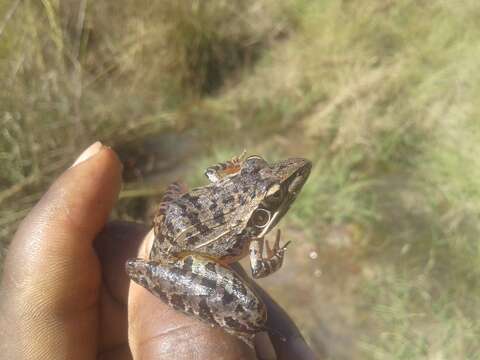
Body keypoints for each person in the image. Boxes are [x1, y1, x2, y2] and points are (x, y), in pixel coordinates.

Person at [0, 142, 318, 359]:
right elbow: (259, 269)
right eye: (275, 195)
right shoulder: (257, 226)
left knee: (252, 309)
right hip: (188, 256)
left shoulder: (231, 191)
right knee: (253, 312)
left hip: (174, 222)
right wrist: (270, 258)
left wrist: (234, 167)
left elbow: (212, 173)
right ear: (262, 215)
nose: (293, 174)